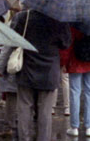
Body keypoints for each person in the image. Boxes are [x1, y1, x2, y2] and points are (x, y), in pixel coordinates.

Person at [11, 9, 71, 141]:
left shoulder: (23, 17)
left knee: (24, 108)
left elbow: (12, 37)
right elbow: (66, 43)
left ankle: (24, 138)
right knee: (45, 111)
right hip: (49, 71)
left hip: (26, 68)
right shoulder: (59, 20)